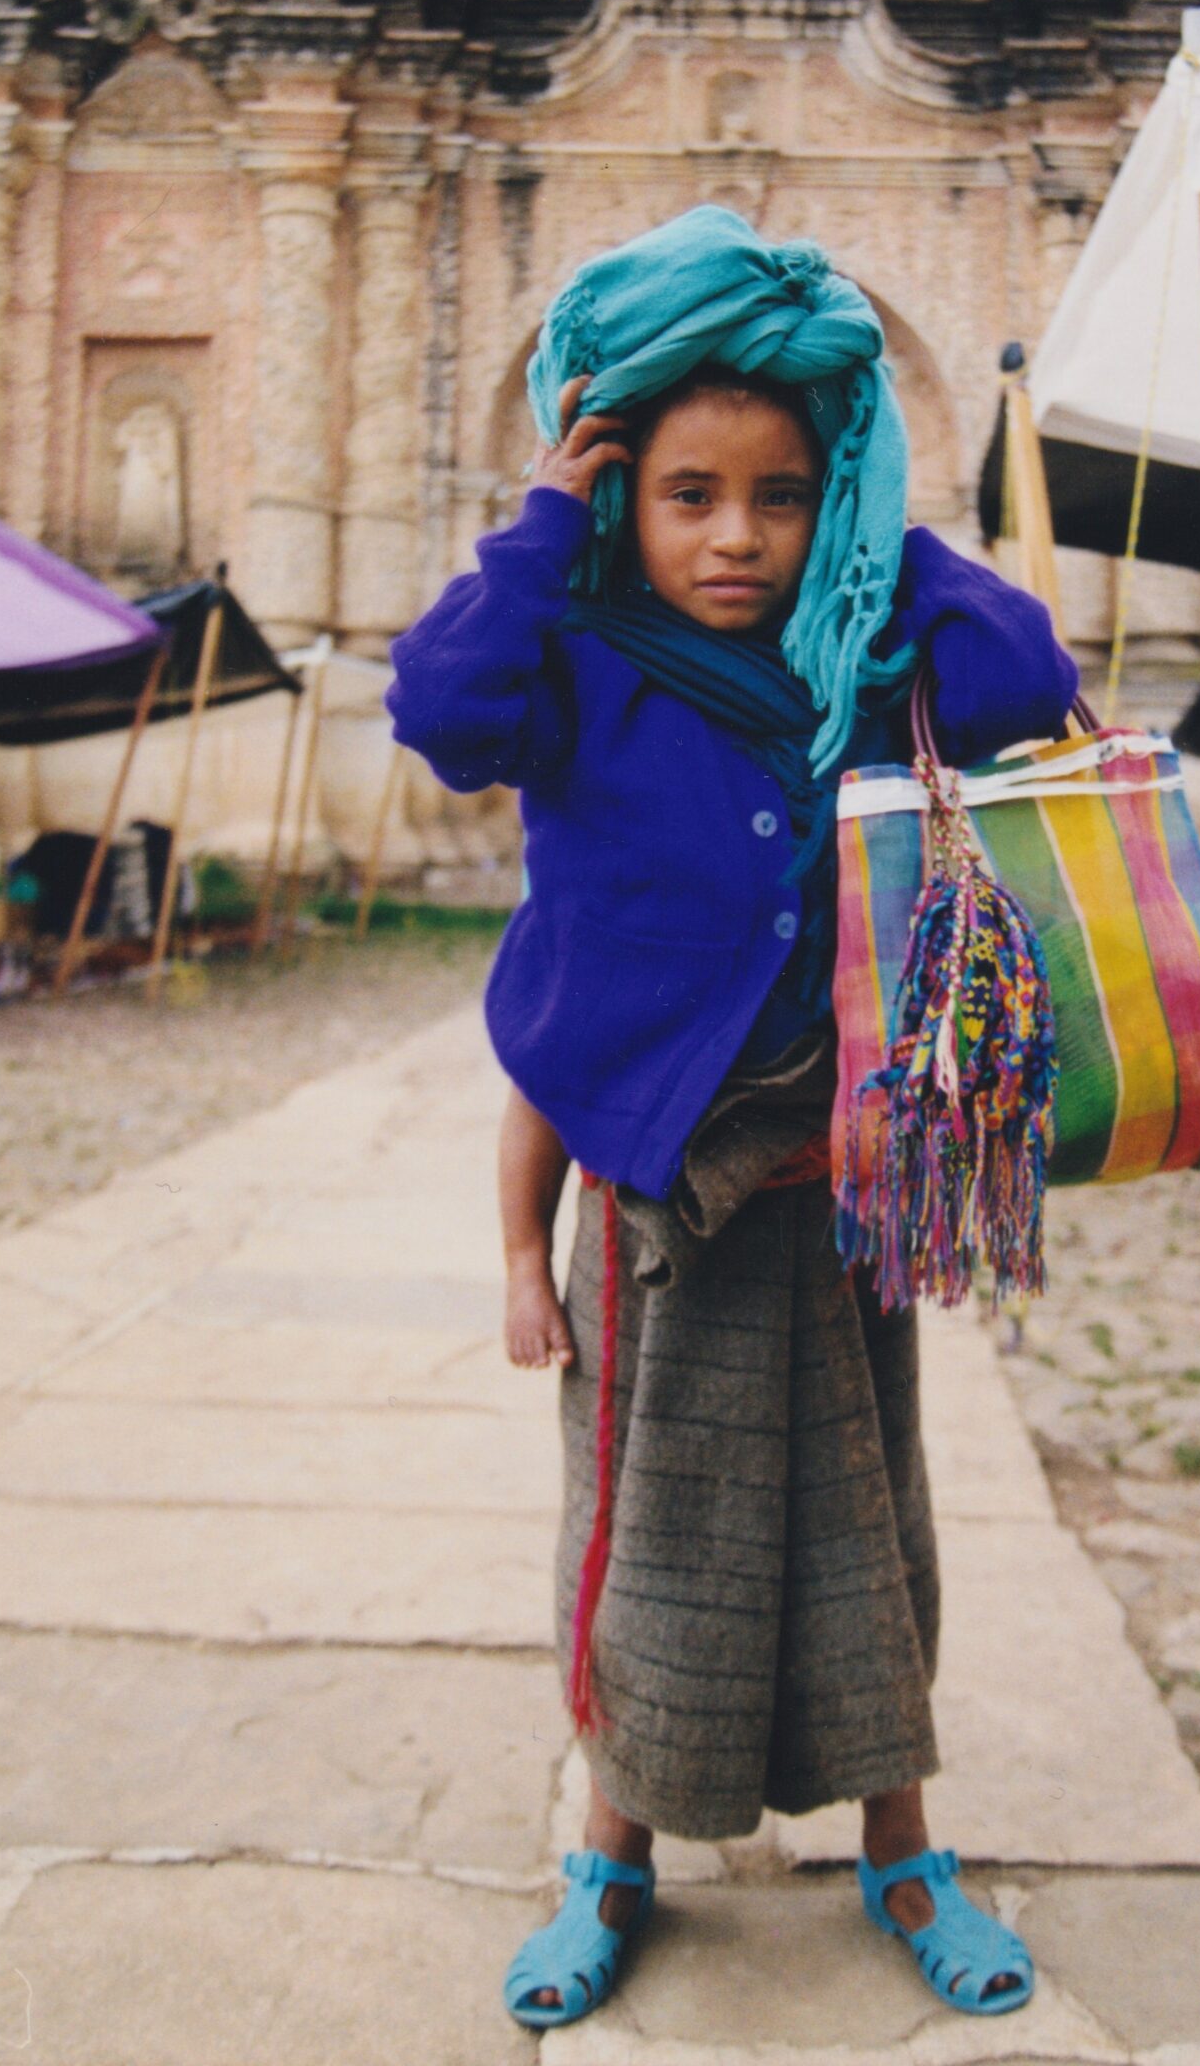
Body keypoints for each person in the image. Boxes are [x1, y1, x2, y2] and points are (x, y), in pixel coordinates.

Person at [386, 204, 1076, 2032]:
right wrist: (546, 523)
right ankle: (606, 1857)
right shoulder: (574, 665)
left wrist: (880, 522)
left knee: (864, 1532)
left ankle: (904, 1850)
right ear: (625, 496)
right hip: (655, 1209)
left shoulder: (850, 657)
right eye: (688, 496)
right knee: (647, 1536)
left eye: (778, 499)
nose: (735, 538)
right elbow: (440, 709)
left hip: (836, 1190)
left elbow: (1024, 683)